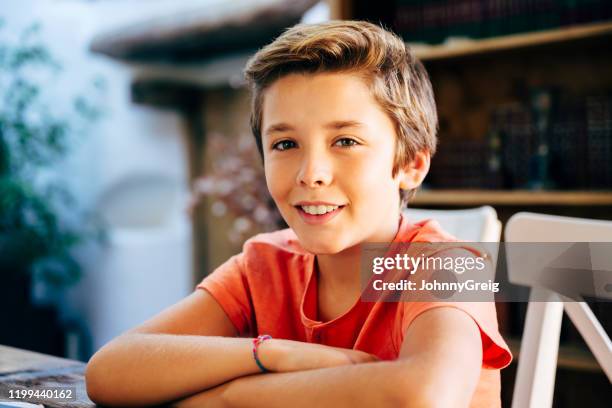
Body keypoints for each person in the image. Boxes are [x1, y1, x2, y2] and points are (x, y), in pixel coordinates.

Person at [85, 20, 512, 407]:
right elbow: (109, 373)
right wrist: (273, 353)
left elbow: (420, 397)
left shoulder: (451, 266)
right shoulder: (263, 267)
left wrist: (229, 399)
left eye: (345, 141)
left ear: (410, 164)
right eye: (285, 144)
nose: (311, 175)